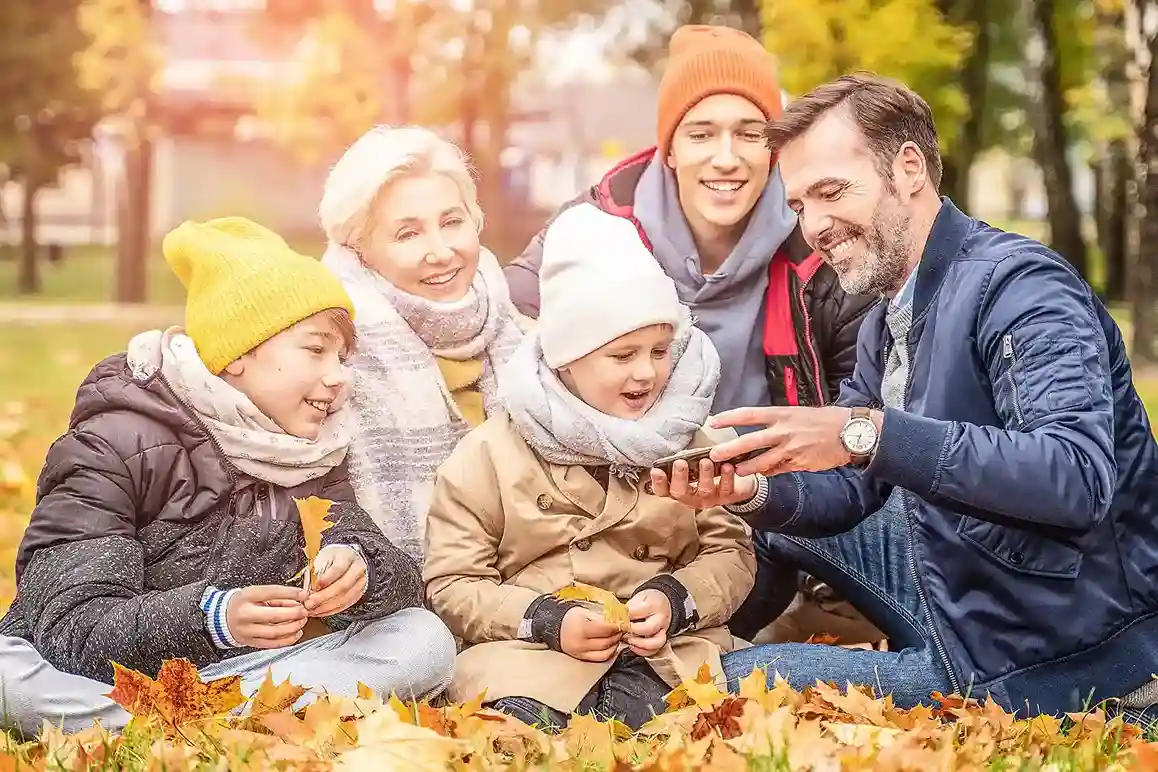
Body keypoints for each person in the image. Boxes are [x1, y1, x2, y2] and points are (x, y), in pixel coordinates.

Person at [651, 72, 1158, 719]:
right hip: (961, 580)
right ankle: (691, 624)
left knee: (723, 680)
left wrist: (864, 433)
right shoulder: (888, 319)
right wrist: (749, 489)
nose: (815, 227)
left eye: (831, 192)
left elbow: (1075, 476)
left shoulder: (1024, 289)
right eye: (801, 205)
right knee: (761, 528)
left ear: (910, 168)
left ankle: (703, 662)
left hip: (1057, 650)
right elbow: (855, 493)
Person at [0, 217, 457, 735]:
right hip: (102, 673)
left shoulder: (313, 448)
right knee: (11, 677)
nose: (339, 376)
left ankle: (189, 719)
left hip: (242, 673)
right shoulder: (112, 444)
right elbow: (72, 632)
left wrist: (360, 570)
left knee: (422, 639)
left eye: (342, 356)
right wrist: (212, 618)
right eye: (315, 349)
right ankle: (219, 715)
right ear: (238, 354)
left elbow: (388, 571)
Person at [506, 23, 880, 647]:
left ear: (775, 148)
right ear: (669, 149)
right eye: (701, 134)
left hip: (763, 499)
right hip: (619, 494)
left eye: (750, 133)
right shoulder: (600, 225)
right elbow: (512, 320)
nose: (726, 158)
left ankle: (788, 613)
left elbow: (858, 408)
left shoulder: (819, 248)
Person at [423, 203, 756, 731]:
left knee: (696, 705)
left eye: (660, 350)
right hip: (528, 656)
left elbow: (729, 551)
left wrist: (678, 599)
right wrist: (543, 619)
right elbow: (454, 583)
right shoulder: (490, 454)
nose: (646, 373)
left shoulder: (694, 440)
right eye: (622, 356)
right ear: (565, 359)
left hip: (668, 648)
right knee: (516, 720)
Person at [319, 126, 524, 565]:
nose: (441, 251)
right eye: (408, 234)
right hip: (387, 602)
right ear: (358, 249)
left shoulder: (526, 338)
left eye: (452, 222)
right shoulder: (327, 357)